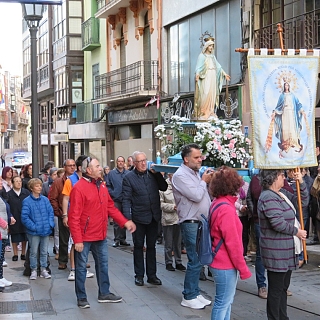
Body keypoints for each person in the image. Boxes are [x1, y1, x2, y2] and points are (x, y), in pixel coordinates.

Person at [68, 157, 136, 309]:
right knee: (80, 268)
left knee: (103, 265)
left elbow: (110, 207)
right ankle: (82, 297)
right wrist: (77, 240)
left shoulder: (102, 186)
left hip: (100, 234)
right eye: (97, 166)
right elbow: (74, 216)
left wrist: (124, 222)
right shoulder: (79, 188)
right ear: (89, 170)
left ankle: (104, 293)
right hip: (84, 237)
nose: (101, 168)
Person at [258, 169, 307, 320]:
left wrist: (301, 182)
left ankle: (282, 317)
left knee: (282, 288)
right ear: (274, 178)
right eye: (281, 175)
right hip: (276, 250)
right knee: (276, 289)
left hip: (286, 249)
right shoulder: (267, 196)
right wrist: (296, 231)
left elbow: (302, 201)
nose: (284, 178)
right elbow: (277, 223)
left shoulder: (282, 194)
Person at [172, 143, 213, 309]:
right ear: (186, 159)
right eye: (196, 157)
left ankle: (195, 292)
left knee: (199, 258)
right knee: (194, 259)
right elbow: (196, 195)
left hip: (200, 221)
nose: (200, 160)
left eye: (200, 156)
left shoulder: (194, 173)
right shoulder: (180, 175)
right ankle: (188, 295)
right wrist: (204, 181)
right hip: (190, 222)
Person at [208, 166, 251, 319]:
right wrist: (244, 269)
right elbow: (234, 245)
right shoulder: (226, 208)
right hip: (224, 263)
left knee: (225, 302)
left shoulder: (217, 203)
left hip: (218, 260)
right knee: (223, 303)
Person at [122, 151, 167, 287]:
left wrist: (157, 173)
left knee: (152, 247)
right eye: (140, 161)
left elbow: (164, 187)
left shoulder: (152, 175)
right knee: (139, 247)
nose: (143, 163)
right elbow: (126, 200)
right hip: (138, 218)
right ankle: (139, 275)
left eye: (144, 160)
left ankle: (152, 275)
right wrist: (127, 219)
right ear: (135, 163)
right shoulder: (129, 178)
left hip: (153, 217)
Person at [61, 155, 94, 281]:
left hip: (87, 218)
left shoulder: (90, 180)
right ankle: (74, 270)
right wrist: (65, 215)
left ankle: (82, 268)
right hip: (75, 217)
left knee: (84, 243)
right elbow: (65, 198)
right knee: (74, 243)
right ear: (82, 167)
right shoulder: (71, 180)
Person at [21, 178, 54, 280]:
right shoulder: (27, 201)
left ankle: (43, 269)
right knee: (33, 252)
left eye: (40, 185)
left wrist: (50, 224)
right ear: (31, 188)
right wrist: (34, 227)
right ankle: (34, 270)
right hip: (34, 232)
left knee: (44, 251)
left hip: (45, 230)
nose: (40, 187)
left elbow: (50, 213)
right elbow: (24, 217)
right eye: (37, 186)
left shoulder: (45, 200)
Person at [49, 159, 76, 270]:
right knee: (64, 239)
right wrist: (60, 212)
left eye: (74, 165)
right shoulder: (58, 182)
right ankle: (63, 260)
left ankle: (79, 260)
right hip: (64, 213)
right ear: (64, 167)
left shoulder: (78, 180)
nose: (72, 167)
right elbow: (53, 198)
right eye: (70, 166)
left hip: (77, 214)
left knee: (78, 239)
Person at [194, 37, 230, 119]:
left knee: (212, 94)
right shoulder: (202, 56)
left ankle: (210, 111)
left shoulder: (213, 57)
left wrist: (225, 74)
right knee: (205, 93)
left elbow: (218, 67)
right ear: (206, 46)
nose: (211, 48)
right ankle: (203, 112)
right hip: (206, 77)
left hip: (213, 76)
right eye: (210, 46)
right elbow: (198, 67)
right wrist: (197, 74)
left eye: (212, 46)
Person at [159, 173, 186, 272]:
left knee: (178, 242)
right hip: (168, 218)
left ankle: (178, 262)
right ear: (169, 175)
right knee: (168, 242)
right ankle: (169, 262)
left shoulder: (180, 186)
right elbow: (160, 204)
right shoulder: (163, 187)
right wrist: (172, 207)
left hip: (179, 218)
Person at [272, 82, 306, 155]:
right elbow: (278, 106)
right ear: (284, 86)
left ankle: (294, 142)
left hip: (291, 113)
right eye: (285, 85)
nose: (286, 86)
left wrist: (301, 110)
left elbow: (298, 104)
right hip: (284, 113)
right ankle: (285, 143)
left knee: (292, 128)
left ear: (289, 86)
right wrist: (275, 112)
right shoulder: (282, 96)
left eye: (287, 85)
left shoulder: (293, 95)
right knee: (285, 128)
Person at [106, 156, 130, 247]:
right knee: (116, 220)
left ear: (124, 163)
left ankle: (123, 239)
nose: (120, 163)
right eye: (119, 161)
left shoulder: (128, 173)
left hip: (126, 200)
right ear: (116, 162)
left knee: (124, 219)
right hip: (116, 199)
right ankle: (116, 239)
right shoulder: (111, 173)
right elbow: (108, 185)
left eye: (122, 161)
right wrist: (113, 193)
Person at [7, 176, 30, 261]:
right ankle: (15, 253)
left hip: (24, 217)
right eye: (16, 181)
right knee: (14, 236)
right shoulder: (9, 194)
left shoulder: (26, 192)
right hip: (14, 216)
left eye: (20, 181)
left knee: (24, 236)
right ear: (12, 183)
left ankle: (23, 253)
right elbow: (7, 206)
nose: (18, 183)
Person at [0, 177, 15, 287]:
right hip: (1, 229)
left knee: (1, 256)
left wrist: (9, 218)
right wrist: (4, 223)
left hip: (3, 231)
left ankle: (1, 277)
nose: (1, 183)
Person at [42, 167, 58, 259]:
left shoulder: (61, 184)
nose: (55, 176)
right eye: (54, 174)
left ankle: (57, 249)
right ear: (51, 176)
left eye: (57, 174)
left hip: (56, 212)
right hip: (48, 211)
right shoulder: (45, 185)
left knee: (57, 232)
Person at [235, 178, 250, 261]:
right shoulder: (232, 186)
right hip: (236, 213)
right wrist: (240, 207)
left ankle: (244, 253)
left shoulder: (246, 185)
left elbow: (248, 196)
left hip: (245, 213)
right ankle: (239, 253)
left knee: (245, 234)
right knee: (238, 234)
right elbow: (232, 200)